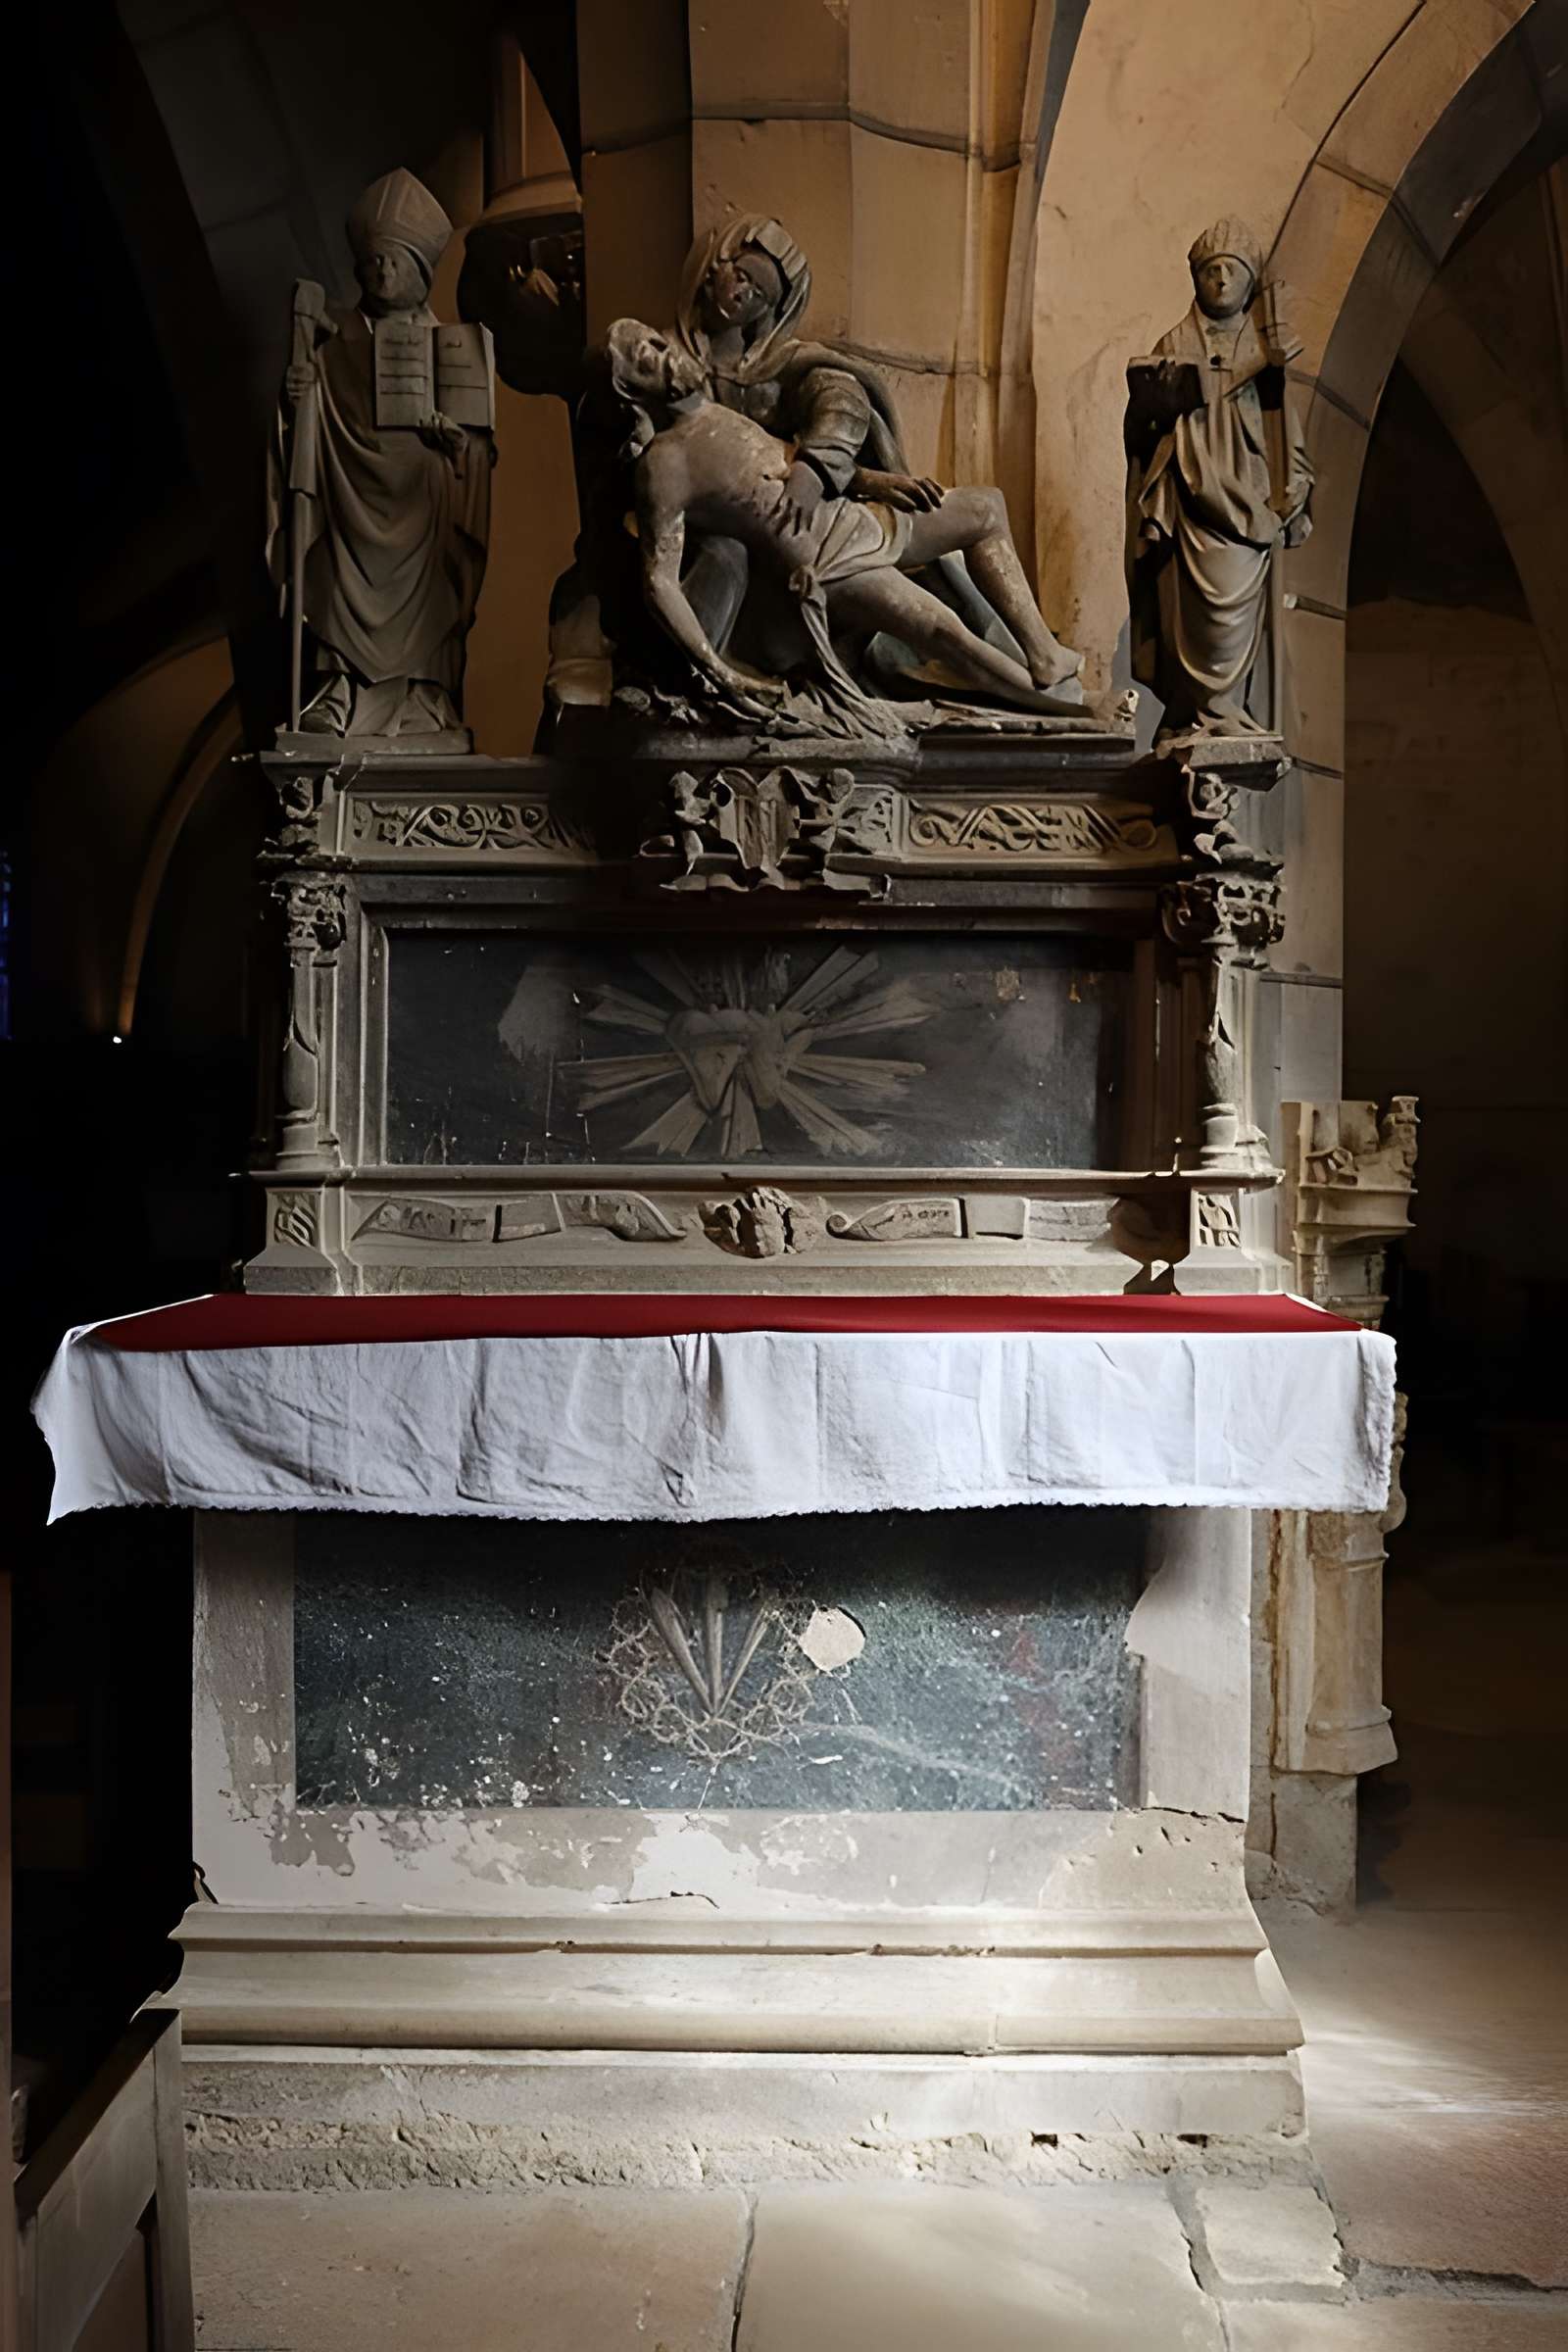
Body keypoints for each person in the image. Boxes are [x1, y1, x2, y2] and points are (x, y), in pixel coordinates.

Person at [607, 319, 1083, 723]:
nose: (661, 352)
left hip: (855, 517)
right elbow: (660, 582)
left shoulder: (715, 412)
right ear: (630, 388)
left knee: (986, 509)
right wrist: (720, 671)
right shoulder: (663, 465)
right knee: (944, 630)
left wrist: (876, 483)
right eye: (642, 356)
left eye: (656, 341)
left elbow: (786, 461)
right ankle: (1057, 710)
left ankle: (1043, 655)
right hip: (827, 563)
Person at [268, 169, 495, 740]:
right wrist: (297, 398)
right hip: (351, 494)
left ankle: (423, 696)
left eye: (395, 260)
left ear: (421, 270)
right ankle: (339, 688)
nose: (383, 271)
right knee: (339, 580)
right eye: (374, 261)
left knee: (434, 589)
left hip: (424, 503)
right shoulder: (333, 338)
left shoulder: (452, 346)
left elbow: (477, 454)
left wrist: (459, 445)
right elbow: (306, 419)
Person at [1127, 219, 1312, 739]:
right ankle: (1195, 710)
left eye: (1233, 272)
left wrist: (1296, 480)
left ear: (1250, 283)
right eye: (1212, 272)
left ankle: (1225, 705)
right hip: (1189, 494)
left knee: (1234, 604)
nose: (1222, 281)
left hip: (1246, 497)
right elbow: (1150, 418)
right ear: (1196, 281)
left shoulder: (1264, 350)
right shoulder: (1174, 340)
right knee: (1190, 610)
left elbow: (1284, 428)